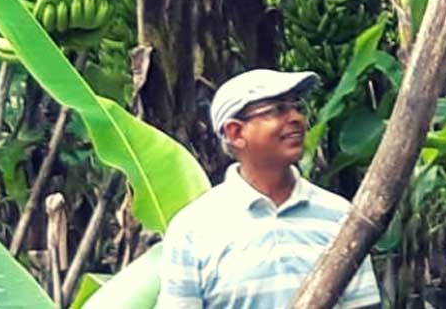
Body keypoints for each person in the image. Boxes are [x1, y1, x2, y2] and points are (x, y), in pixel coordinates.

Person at [156, 69, 382, 309]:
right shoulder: (193, 229)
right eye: (277, 110)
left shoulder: (340, 216)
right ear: (236, 132)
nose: (296, 117)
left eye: (296, 107)